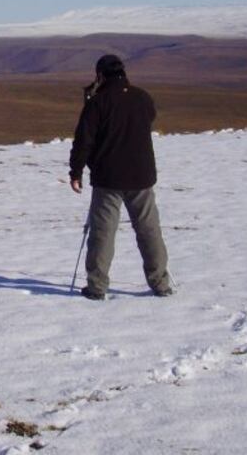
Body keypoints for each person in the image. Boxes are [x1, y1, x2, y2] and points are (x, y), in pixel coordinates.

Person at [68, 54, 172, 300]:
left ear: (100, 75)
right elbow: (149, 118)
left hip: (108, 178)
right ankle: (160, 283)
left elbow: (84, 140)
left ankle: (96, 287)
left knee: (103, 233)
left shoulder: (98, 102)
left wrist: (76, 171)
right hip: (141, 176)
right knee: (149, 231)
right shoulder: (142, 98)